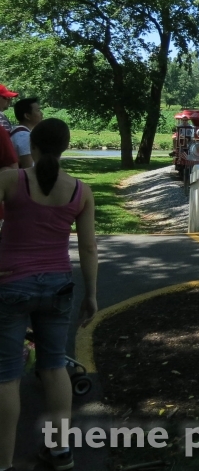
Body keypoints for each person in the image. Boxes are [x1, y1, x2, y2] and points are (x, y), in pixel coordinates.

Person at [0, 119, 98, 471]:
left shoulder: (10, 180)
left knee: (7, 374)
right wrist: (92, 295)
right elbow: (87, 248)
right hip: (58, 285)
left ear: (33, 146)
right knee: (55, 365)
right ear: (65, 147)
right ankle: (60, 452)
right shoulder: (80, 191)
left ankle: (3, 461)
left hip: (10, 284)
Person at [10, 97, 43, 169]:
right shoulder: (23, 136)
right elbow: (28, 167)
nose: (41, 113)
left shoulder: (19, 132)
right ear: (27, 116)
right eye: (38, 110)